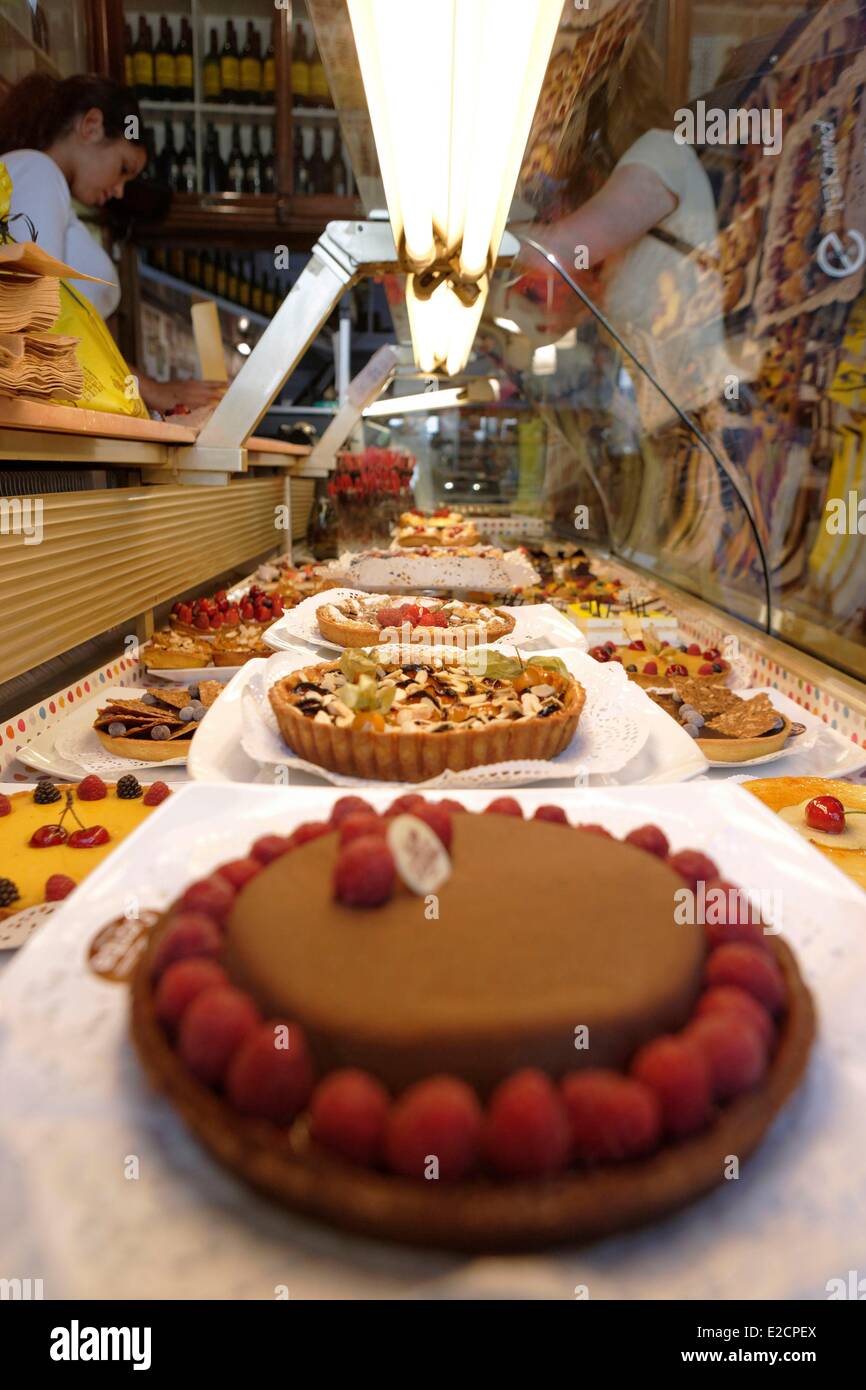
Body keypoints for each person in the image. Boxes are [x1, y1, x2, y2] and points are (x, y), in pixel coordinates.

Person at [0, 72, 224, 416]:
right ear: (91, 126)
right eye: (123, 168)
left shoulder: (42, 181)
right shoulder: (37, 170)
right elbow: (40, 318)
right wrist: (152, 391)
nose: (119, 190)